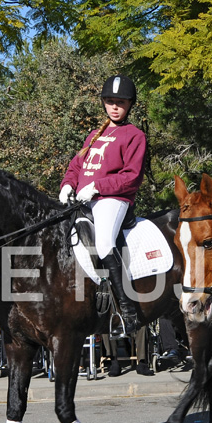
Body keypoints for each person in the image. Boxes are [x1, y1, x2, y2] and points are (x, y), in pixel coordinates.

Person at [58, 74, 147, 336]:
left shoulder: (134, 135)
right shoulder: (94, 135)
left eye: (120, 102)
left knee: (105, 243)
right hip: (85, 198)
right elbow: (77, 166)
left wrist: (99, 187)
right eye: (109, 101)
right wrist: (67, 184)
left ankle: (127, 310)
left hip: (114, 199)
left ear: (130, 104)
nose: (114, 107)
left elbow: (131, 176)